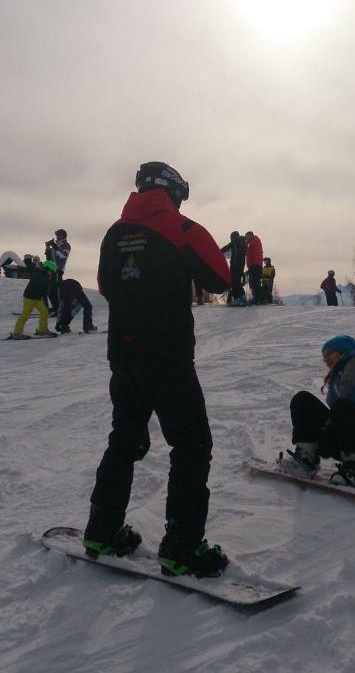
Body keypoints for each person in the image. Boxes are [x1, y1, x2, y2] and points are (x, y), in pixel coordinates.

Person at [83, 161, 231, 577]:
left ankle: (101, 530)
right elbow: (221, 279)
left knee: (124, 439)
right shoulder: (183, 229)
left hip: (124, 356)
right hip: (168, 357)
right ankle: (182, 547)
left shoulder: (114, 233)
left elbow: (107, 286)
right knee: (191, 446)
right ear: (174, 192)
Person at [284, 335, 355, 489]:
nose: (326, 359)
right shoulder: (338, 374)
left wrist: (327, 432)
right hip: (346, 431)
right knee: (302, 399)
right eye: (324, 356)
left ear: (343, 351)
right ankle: (306, 458)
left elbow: (348, 400)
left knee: (344, 406)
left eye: (330, 353)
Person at [9, 260, 59, 339]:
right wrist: (46, 304)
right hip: (29, 298)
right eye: (52, 271)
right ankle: (17, 333)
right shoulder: (42, 276)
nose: (52, 273)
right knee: (25, 315)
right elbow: (45, 293)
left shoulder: (43, 274)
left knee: (44, 312)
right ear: (48, 269)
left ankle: (42, 330)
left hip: (37, 298)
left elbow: (44, 292)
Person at [45, 229, 71, 314]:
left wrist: (54, 247)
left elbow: (63, 256)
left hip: (58, 269)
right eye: (56, 235)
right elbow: (50, 258)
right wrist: (48, 248)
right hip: (52, 268)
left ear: (62, 236)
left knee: (56, 290)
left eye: (58, 235)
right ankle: (55, 306)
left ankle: (59, 308)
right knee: (50, 289)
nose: (56, 237)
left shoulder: (66, 245)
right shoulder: (56, 245)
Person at [221, 231, 246, 305]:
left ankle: (237, 298)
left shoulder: (234, 242)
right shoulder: (244, 243)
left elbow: (225, 248)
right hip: (241, 265)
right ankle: (242, 297)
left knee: (234, 282)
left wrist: (217, 251)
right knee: (238, 281)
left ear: (233, 237)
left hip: (235, 265)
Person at [245, 231, 263, 303]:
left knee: (254, 282)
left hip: (254, 265)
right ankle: (257, 297)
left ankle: (258, 298)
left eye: (247, 237)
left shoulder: (254, 241)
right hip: (255, 264)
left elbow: (251, 253)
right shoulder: (255, 241)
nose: (246, 239)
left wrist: (251, 266)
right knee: (254, 282)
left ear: (250, 235)